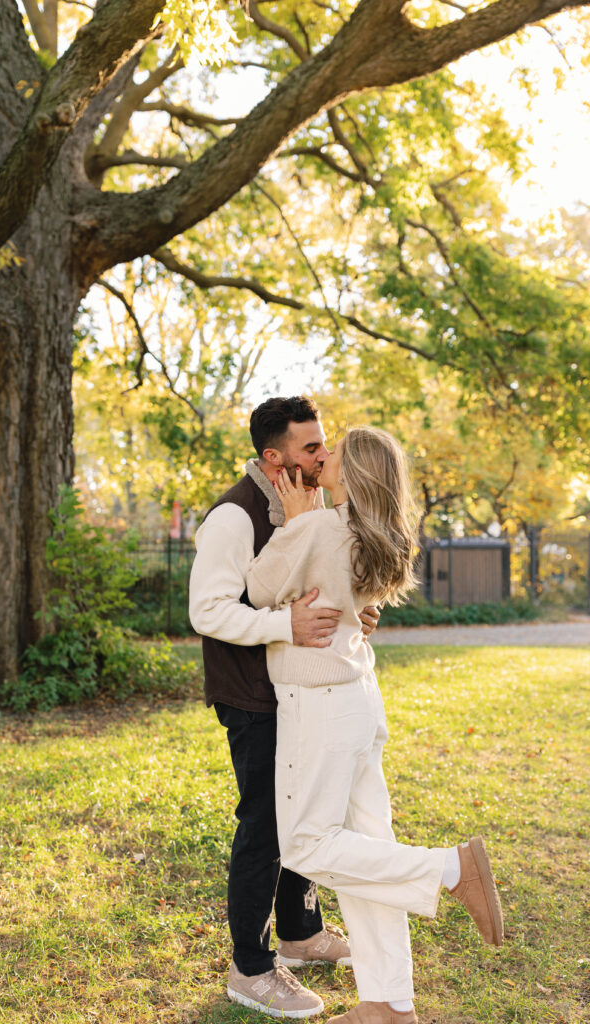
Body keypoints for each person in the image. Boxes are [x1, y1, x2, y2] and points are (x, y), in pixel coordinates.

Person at [245, 426, 504, 1024]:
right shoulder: (379, 538)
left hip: (320, 705)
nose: (323, 456)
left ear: (354, 472)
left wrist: (290, 522)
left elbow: (256, 589)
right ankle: (388, 1004)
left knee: (306, 846)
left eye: (334, 451)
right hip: (360, 701)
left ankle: (449, 868)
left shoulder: (318, 527)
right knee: (367, 853)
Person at [189, 397, 381, 1019]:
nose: (324, 456)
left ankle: (299, 932)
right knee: (267, 825)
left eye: (324, 445)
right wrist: (285, 624)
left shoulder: (312, 502)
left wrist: (356, 610)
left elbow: (317, 582)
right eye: (310, 448)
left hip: (305, 690)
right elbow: (208, 611)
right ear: (273, 458)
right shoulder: (232, 517)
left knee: (311, 812)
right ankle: (250, 967)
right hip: (252, 697)